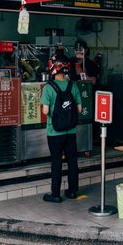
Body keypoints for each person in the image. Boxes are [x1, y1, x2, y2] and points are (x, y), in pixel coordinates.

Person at [39, 53, 83, 203]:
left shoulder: (48, 88)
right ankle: (72, 192)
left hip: (54, 131)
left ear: (52, 68)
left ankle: (55, 194)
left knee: (56, 162)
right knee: (72, 161)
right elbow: (79, 109)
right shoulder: (73, 85)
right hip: (71, 130)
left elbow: (45, 111)